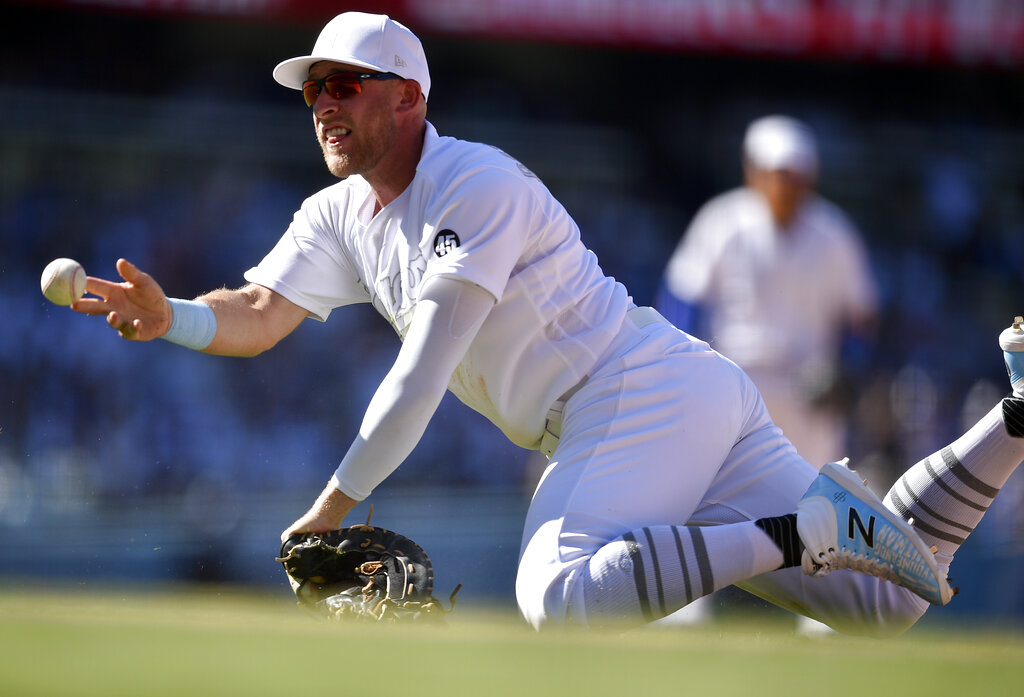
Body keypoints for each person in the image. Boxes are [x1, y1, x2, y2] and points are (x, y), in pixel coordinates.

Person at [72, 12, 1024, 635]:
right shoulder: (338, 213)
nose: (321, 104)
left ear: (409, 97)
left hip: (628, 390)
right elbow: (260, 312)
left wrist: (333, 503)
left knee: (555, 597)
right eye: (312, 88)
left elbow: (423, 368)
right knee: (885, 601)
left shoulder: (470, 180)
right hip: (668, 394)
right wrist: (176, 319)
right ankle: (1015, 417)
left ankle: (798, 527)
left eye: (342, 84)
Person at [658, 115, 878, 468]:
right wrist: (681, 365)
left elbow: (861, 314)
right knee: (725, 487)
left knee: (810, 492)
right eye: (779, 174)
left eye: (796, 176)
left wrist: (848, 368)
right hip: (736, 376)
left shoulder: (834, 232)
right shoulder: (722, 221)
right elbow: (684, 297)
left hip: (810, 385)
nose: (787, 185)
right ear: (754, 172)